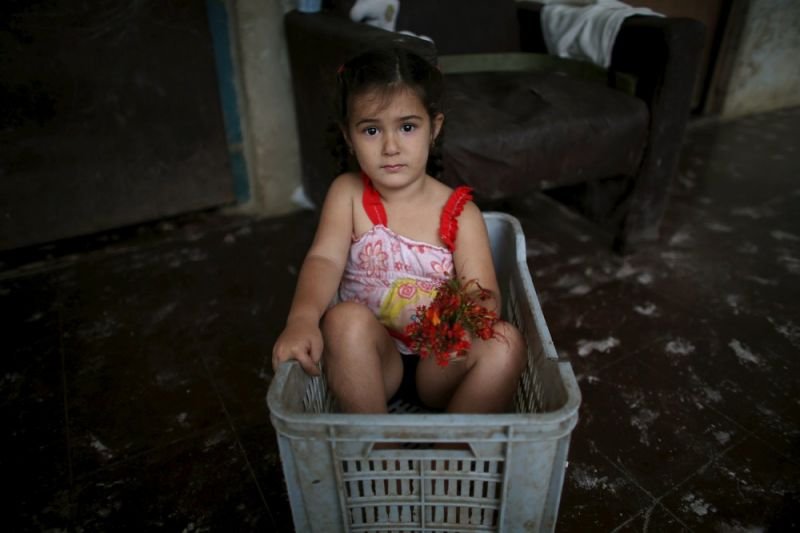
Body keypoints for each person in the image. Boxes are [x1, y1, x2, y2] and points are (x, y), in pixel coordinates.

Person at [272, 47, 525, 415]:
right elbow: (324, 259)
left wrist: (463, 321)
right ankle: (378, 445)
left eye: (407, 127)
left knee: (506, 342)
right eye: (372, 130)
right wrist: (301, 320)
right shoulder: (348, 195)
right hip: (373, 360)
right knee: (342, 319)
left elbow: (483, 294)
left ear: (434, 128)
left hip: (439, 364)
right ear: (348, 136)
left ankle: (453, 447)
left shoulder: (461, 214)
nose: (390, 147)